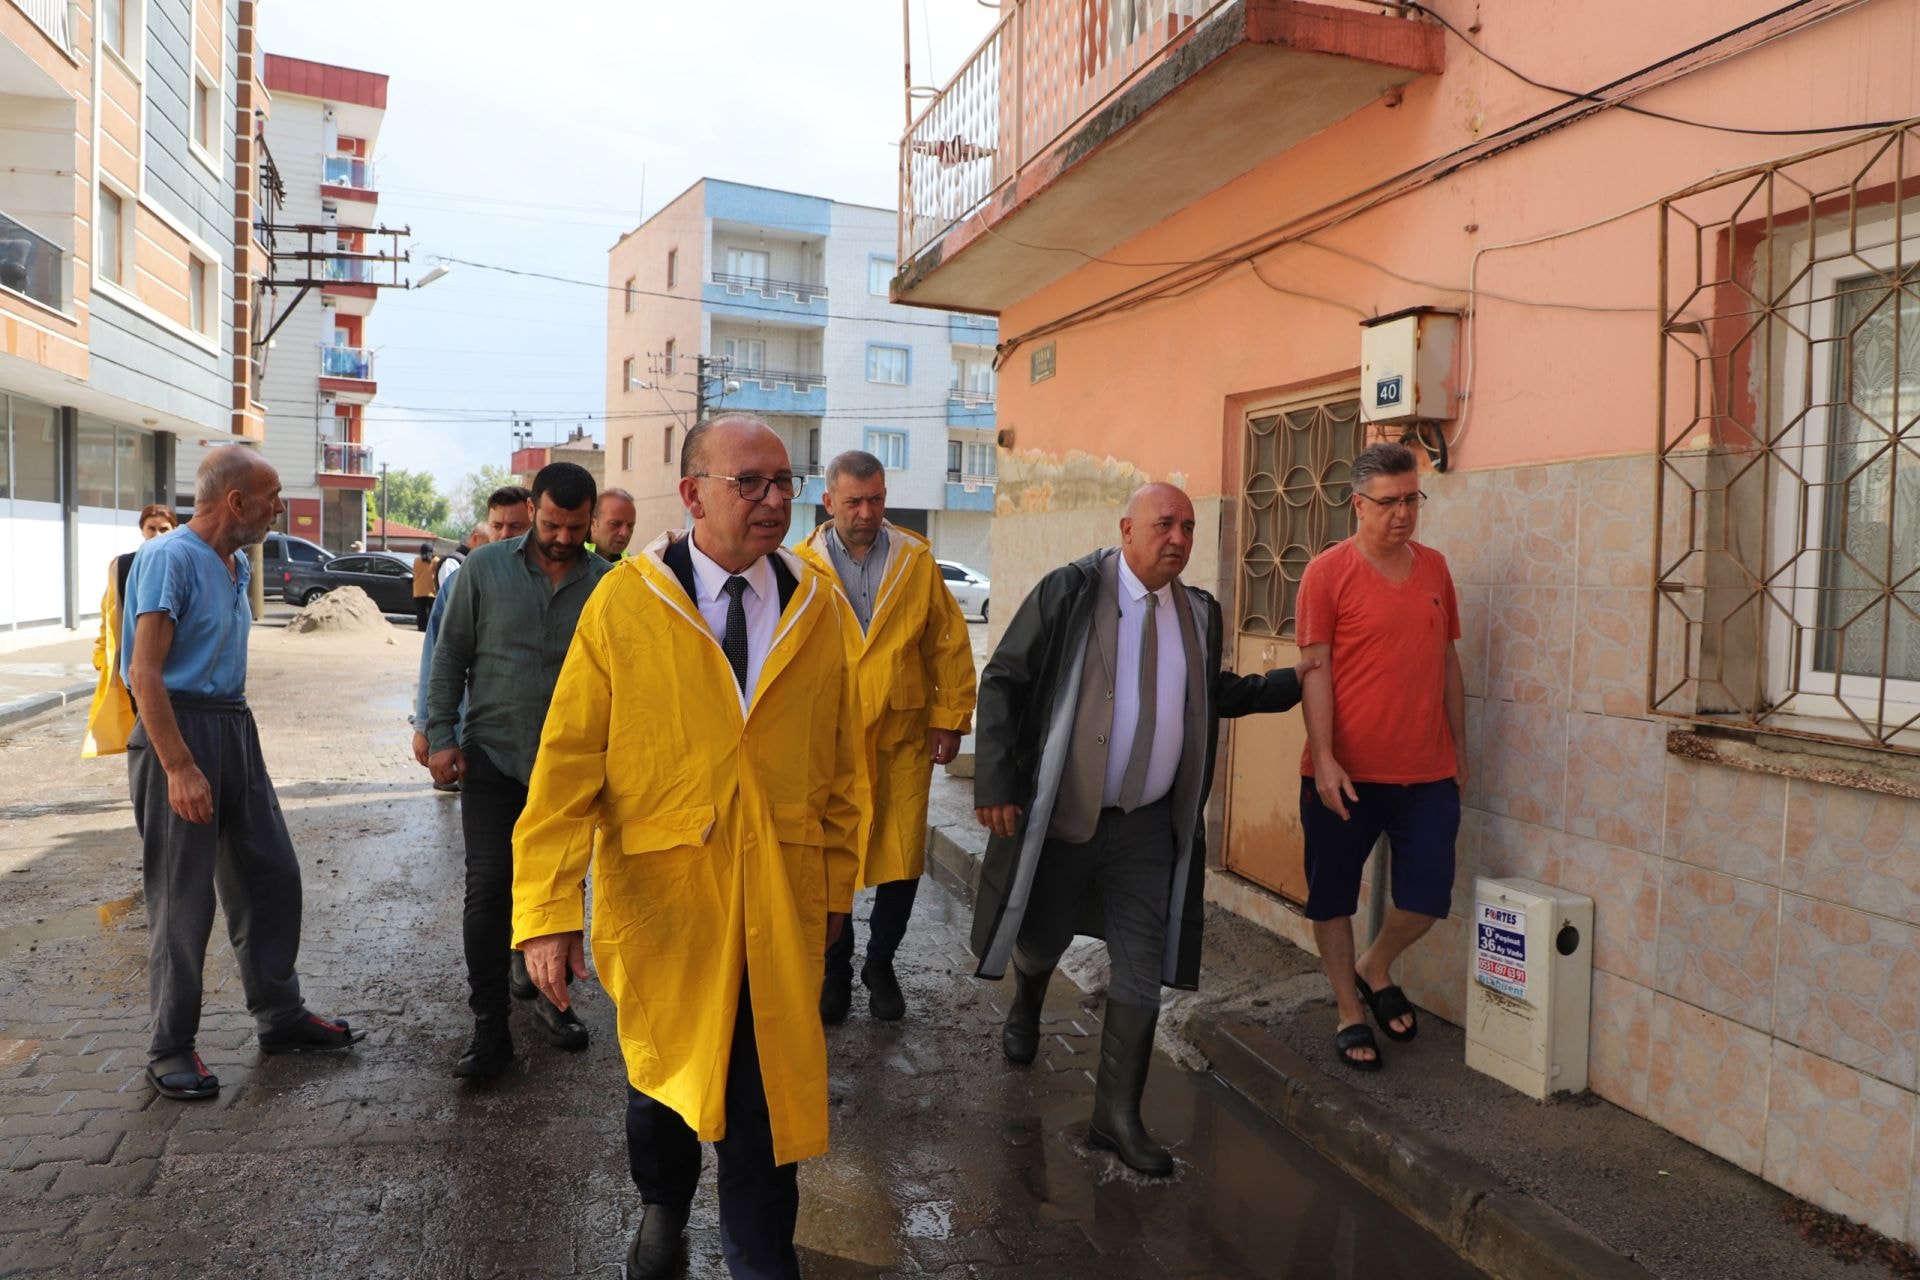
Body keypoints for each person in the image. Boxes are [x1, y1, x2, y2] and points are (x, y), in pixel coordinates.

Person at [514, 414, 862, 1280]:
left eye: (783, 481)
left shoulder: (818, 608)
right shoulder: (627, 604)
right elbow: (567, 764)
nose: (774, 499)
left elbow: (840, 769)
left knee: (765, 1103)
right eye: (750, 483)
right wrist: (547, 911)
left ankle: (761, 1260)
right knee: (663, 1085)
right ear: (694, 493)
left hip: (778, 897)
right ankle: (663, 1206)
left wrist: (834, 895)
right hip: (666, 903)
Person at [970, 482, 1314, 1175]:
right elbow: (1005, 679)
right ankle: (1027, 1004)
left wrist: (1293, 683)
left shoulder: (1198, 612)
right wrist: (998, 780)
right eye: (1164, 524)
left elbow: (1208, 693)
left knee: (1141, 963)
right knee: (1043, 934)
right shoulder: (1070, 592)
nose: (1178, 538)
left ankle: (1116, 1117)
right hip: (1067, 818)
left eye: (1188, 526)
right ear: (1127, 529)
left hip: (1149, 829)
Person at [122, 447, 363, 1101]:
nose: (280, 507)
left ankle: (280, 1017)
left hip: (233, 725)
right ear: (236, 501)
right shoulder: (168, 557)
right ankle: (169, 1047)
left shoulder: (236, 565)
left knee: (271, 875)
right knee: (183, 900)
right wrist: (179, 766)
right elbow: (144, 672)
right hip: (178, 730)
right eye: (273, 495)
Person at [427, 463, 610, 1076]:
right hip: (493, 757)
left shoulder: (608, 585)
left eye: (576, 528)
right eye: (552, 524)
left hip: (571, 773)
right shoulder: (484, 570)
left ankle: (557, 1005)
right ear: (533, 509)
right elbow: (450, 656)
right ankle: (489, 1027)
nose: (563, 538)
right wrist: (441, 735)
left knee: (563, 889)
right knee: (488, 891)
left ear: (591, 520)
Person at [1297, 441, 1466, 1073]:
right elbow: (1315, 671)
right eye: (1390, 502)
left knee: (1428, 897)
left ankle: (1375, 965)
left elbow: (1447, 661)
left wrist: (1460, 750)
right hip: (1346, 773)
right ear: (1359, 505)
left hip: (1427, 771)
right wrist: (1325, 756)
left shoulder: (1435, 569)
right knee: (1332, 898)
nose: (1403, 514)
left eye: (1412, 500)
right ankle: (1349, 1008)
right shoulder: (1327, 573)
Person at [797, 451, 974, 1024]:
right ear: (829, 501)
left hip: (901, 733)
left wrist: (950, 716)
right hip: (829, 739)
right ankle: (835, 969)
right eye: (854, 501)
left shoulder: (914, 559)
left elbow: (947, 641)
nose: (867, 512)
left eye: (876, 499)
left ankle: (881, 962)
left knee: (901, 853)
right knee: (831, 855)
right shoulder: (799, 568)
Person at [82, 503, 177, 758]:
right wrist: (102, 652)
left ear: (174, 530)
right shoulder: (123, 565)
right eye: (151, 528)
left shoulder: (180, 562)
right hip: (133, 664)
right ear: (142, 530)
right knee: (142, 731)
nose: (156, 534)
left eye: (163, 529)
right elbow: (109, 613)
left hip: (173, 663)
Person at [410, 522, 494, 791]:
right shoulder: (458, 575)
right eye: (498, 527)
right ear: (476, 538)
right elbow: (439, 660)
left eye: (515, 527)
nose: (504, 536)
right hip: (467, 732)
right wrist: (428, 727)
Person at [588, 487, 638, 561]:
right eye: (615, 524)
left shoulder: (632, 564)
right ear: (593, 523)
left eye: (630, 526)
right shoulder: (573, 559)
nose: (624, 533)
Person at [411, 541, 440, 632]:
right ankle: (430, 631)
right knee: (432, 614)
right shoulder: (436, 561)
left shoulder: (416, 560)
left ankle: (421, 631)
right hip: (431, 592)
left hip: (418, 591)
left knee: (421, 614)